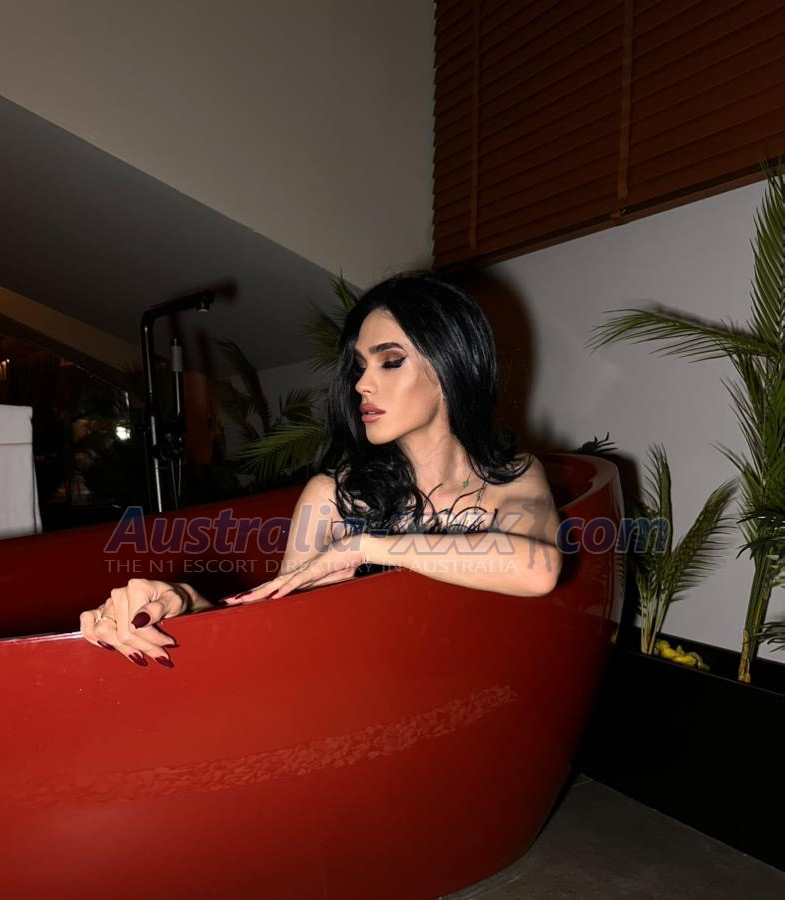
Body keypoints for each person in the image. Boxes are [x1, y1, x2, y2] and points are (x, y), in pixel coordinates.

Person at [80, 270, 561, 668]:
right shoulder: (331, 496)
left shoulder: (512, 476)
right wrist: (184, 602)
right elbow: (276, 636)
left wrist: (365, 546)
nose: (362, 384)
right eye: (359, 366)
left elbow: (539, 569)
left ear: (452, 366)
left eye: (390, 362)